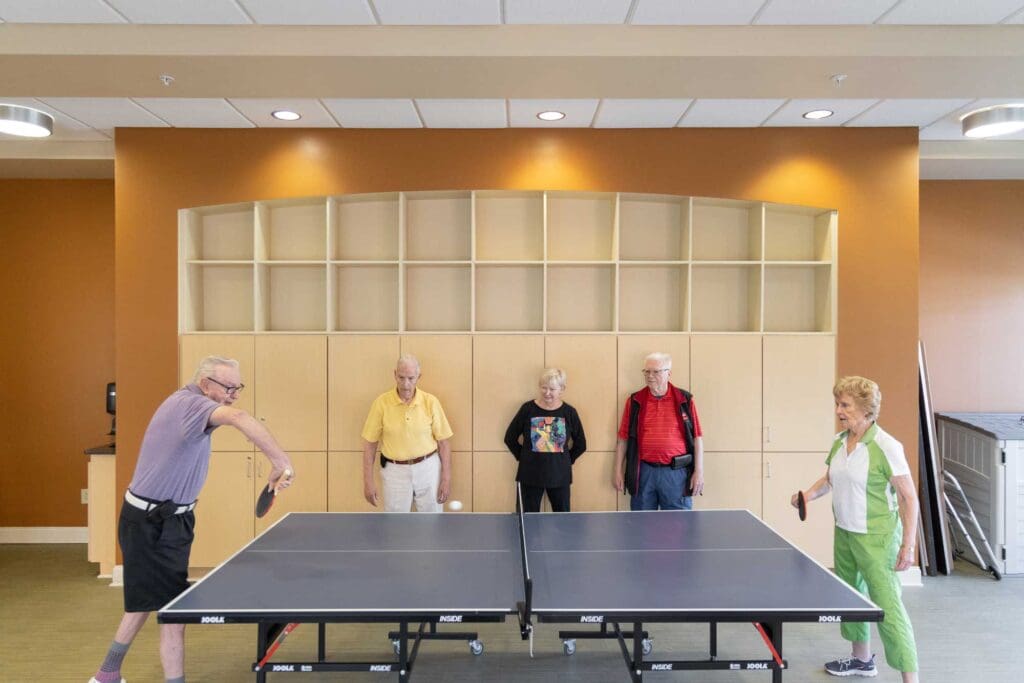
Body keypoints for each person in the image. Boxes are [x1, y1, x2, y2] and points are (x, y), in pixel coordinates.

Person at [90, 357, 294, 683]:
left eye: (238, 387)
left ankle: (107, 674)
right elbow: (239, 418)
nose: (234, 395)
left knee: (145, 602)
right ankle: (129, 677)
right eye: (229, 387)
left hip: (171, 522)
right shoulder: (190, 405)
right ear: (205, 384)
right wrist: (279, 460)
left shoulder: (192, 405)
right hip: (151, 523)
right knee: (173, 614)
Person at [793, 376, 919, 681]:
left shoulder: (886, 446)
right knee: (852, 599)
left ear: (865, 409)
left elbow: (908, 497)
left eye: (845, 405)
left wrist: (908, 545)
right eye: (838, 403)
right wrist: (806, 496)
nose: (839, 410)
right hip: (845, 533)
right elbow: (831, 480)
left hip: (878, 538)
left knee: (888, 608)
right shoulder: (840, 441)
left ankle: (910, 677)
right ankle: (861, 660)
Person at [612, 352, 704, 510]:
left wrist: (699, 472)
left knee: (678, 527)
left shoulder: (685, 400)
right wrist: (617, 470)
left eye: (656, 371)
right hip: (644, 472)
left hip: (676, 474)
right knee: (641, 526)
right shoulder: (635, 401)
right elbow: (623, 439)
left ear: (669, 373)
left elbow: (697, 438)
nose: (650, 376)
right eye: (646, 371)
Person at [361, 354, 453, 512]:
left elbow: (444, 443)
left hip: (428, 468)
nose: (406, 384)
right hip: (394, 471)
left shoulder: (431, 402)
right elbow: (369, 445)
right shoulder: (381, 404)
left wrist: (446, 478)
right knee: (396, 524)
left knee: (432, 521)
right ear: (395, 374)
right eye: (401, 377)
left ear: (419, 377)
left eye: (411, 378)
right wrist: (368, 482)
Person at [503, 368, 587, 512]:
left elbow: (581, 444)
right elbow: (510, 438)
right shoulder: (527, 409)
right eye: (544, 387)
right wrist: (524, 457)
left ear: (562, 389)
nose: (547, 393)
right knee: (527, 523)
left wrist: (566, 460)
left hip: (560, 477)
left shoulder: (569, 413)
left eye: (552, 389)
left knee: (562, 523)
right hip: (529, 476)